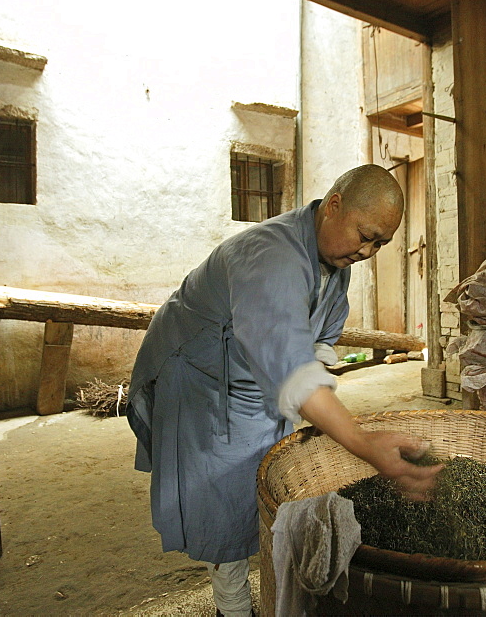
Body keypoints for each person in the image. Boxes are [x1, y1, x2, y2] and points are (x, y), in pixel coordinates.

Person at [126, 164, 442, 617]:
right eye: (365, 235)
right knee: (220, 492)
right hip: (202, 375)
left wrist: (312, 389)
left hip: (251, 373)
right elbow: (293, 373)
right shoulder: (271, 256)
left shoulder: (336, 259)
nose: (368, 250)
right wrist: (362, 444)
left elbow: (316, 344)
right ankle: (232, 607)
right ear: (334, 205)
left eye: (380, 244)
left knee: (267, 473)